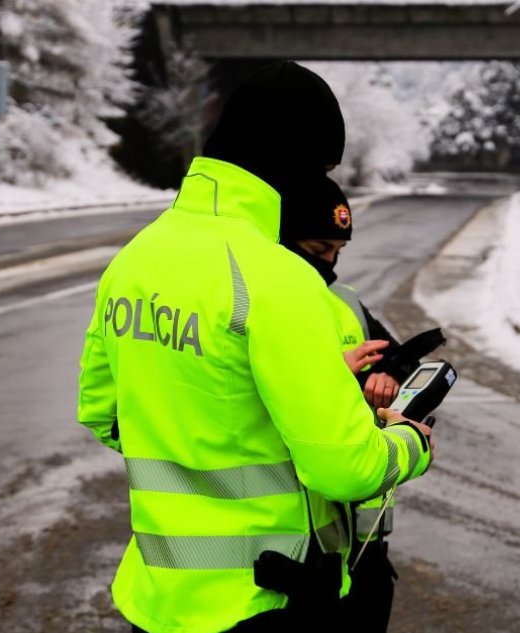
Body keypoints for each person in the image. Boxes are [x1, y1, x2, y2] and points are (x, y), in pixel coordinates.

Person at [76, 60, 435, 633]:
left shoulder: (135, 259)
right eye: (318, 167)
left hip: (158, 598)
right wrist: (408, 442)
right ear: (290, 160)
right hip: (267, 601)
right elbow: (347, 469)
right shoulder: (276, 277)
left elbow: (103, 415)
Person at [278, 174, 439, 633]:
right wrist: (335, 376)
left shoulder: (345, 300)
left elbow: (393, 357)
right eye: (317, 250)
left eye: (337, 254)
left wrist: (389, 376)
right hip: (301, 547)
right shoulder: (268, 305)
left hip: (365, 541)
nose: (328, 266)